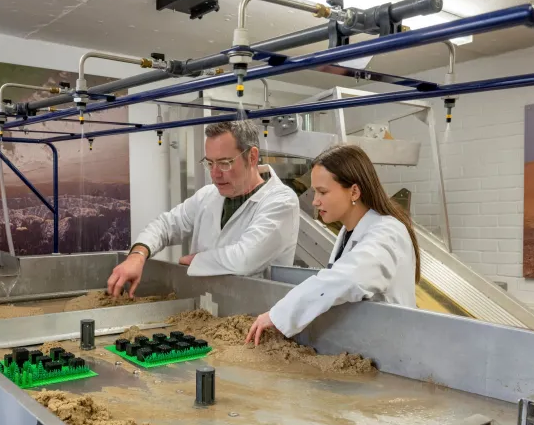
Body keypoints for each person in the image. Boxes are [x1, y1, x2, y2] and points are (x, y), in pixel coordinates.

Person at [246, 144, 419, 345]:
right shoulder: (347, 232)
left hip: (396, 348)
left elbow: (349, 278)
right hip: (372, 343)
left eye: (322, 192)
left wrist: (279, 315)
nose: (315, 202)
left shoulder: (388, 232)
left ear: (354, 192)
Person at [107, 120, 299, 297]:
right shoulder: (208, 195)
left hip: (254, 316)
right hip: (207, 310)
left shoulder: (281, 201)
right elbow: (166, 225)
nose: (215, 174)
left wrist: (196, 260)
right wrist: (138, 255)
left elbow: (245, 258)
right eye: (209, 163)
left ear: (252, 156)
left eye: (225, 163)